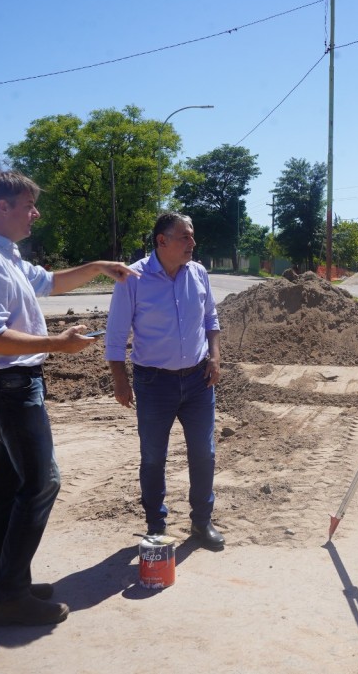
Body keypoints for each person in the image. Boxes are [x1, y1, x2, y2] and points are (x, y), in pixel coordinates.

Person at [0, 166, 139, 627]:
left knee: (7, 480)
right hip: (7, 385)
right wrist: (60, 344)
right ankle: (10, 596)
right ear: (2, 207)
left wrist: (98, 267)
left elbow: (51, 283)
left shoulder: (6, 255)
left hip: (6, 384)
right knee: (41, 482)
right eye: (28, 206)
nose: (35, 214)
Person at [105, 212, 224, 550]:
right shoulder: (133, 278)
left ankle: (202, 522)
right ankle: (156, 526)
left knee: (204, 453)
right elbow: (115, 335)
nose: (192, 243)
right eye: (185, 236)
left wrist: (214, 356)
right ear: (162, 241)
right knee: (154, 456)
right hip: (154, 383)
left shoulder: (198, 273)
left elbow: (210, 319)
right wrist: (120, 380)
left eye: (192, 235)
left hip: (199, 381)